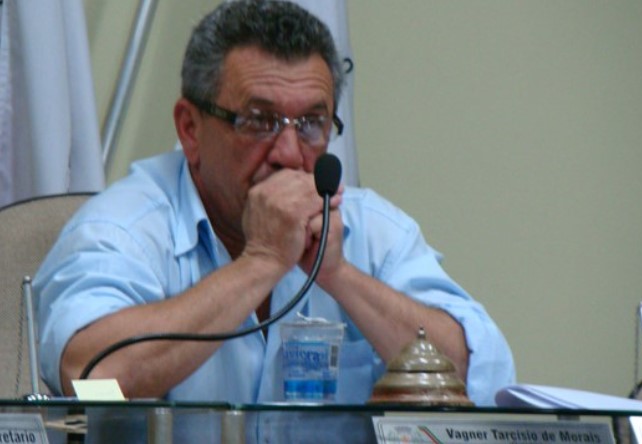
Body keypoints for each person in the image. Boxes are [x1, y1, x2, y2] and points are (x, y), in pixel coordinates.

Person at [35, 0, 514, 409]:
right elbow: (89, 378)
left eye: (310, 124)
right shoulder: (123, 228)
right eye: (259, 120)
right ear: (190, 129)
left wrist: (339, 275)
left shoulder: (372, 230)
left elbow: (483, 378)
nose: (288, 153)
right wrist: (262, 261)